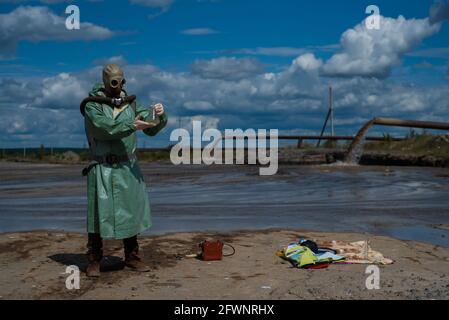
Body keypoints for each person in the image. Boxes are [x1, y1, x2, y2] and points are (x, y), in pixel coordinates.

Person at [80, 64, 167, 277]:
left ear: (123, 80)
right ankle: (94, 260)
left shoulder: (131, 104)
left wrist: (159, 115)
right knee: (97, 216)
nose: (116, 85)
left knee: (130, 213)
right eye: (112, 81)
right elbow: (104, 127)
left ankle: (132, 257)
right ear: (104, 80)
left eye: (118, 81)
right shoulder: (93, 106)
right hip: (102, 167)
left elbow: (150, 126)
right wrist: (132, 125)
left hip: (127, 167)